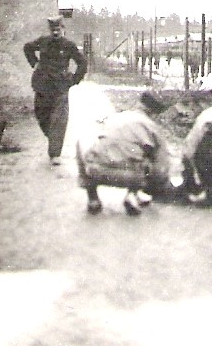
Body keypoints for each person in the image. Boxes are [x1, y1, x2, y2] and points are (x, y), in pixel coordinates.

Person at [76, 91, 174, 215]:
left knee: (83, 144)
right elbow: (161, 165)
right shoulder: (151, 127)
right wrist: (160, 187)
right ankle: (132, 195)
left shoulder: (115, 118)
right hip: (132, 177)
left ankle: (93, 198)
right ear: (153, 113)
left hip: (96, 171)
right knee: (148, 155)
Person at [23, 15, 87, 166]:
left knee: (59, 120)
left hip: (60, 86)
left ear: (63, 29)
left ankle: (55, 154)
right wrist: (35, 63)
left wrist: (74, 79)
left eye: (58, 30)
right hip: (42, 85)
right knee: (41, 115)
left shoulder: (69, 45)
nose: (55, 33)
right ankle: (53, 138)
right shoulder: (43, 41)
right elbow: (27, 48)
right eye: (53, 30)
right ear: (50, 31)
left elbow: (82, 62)